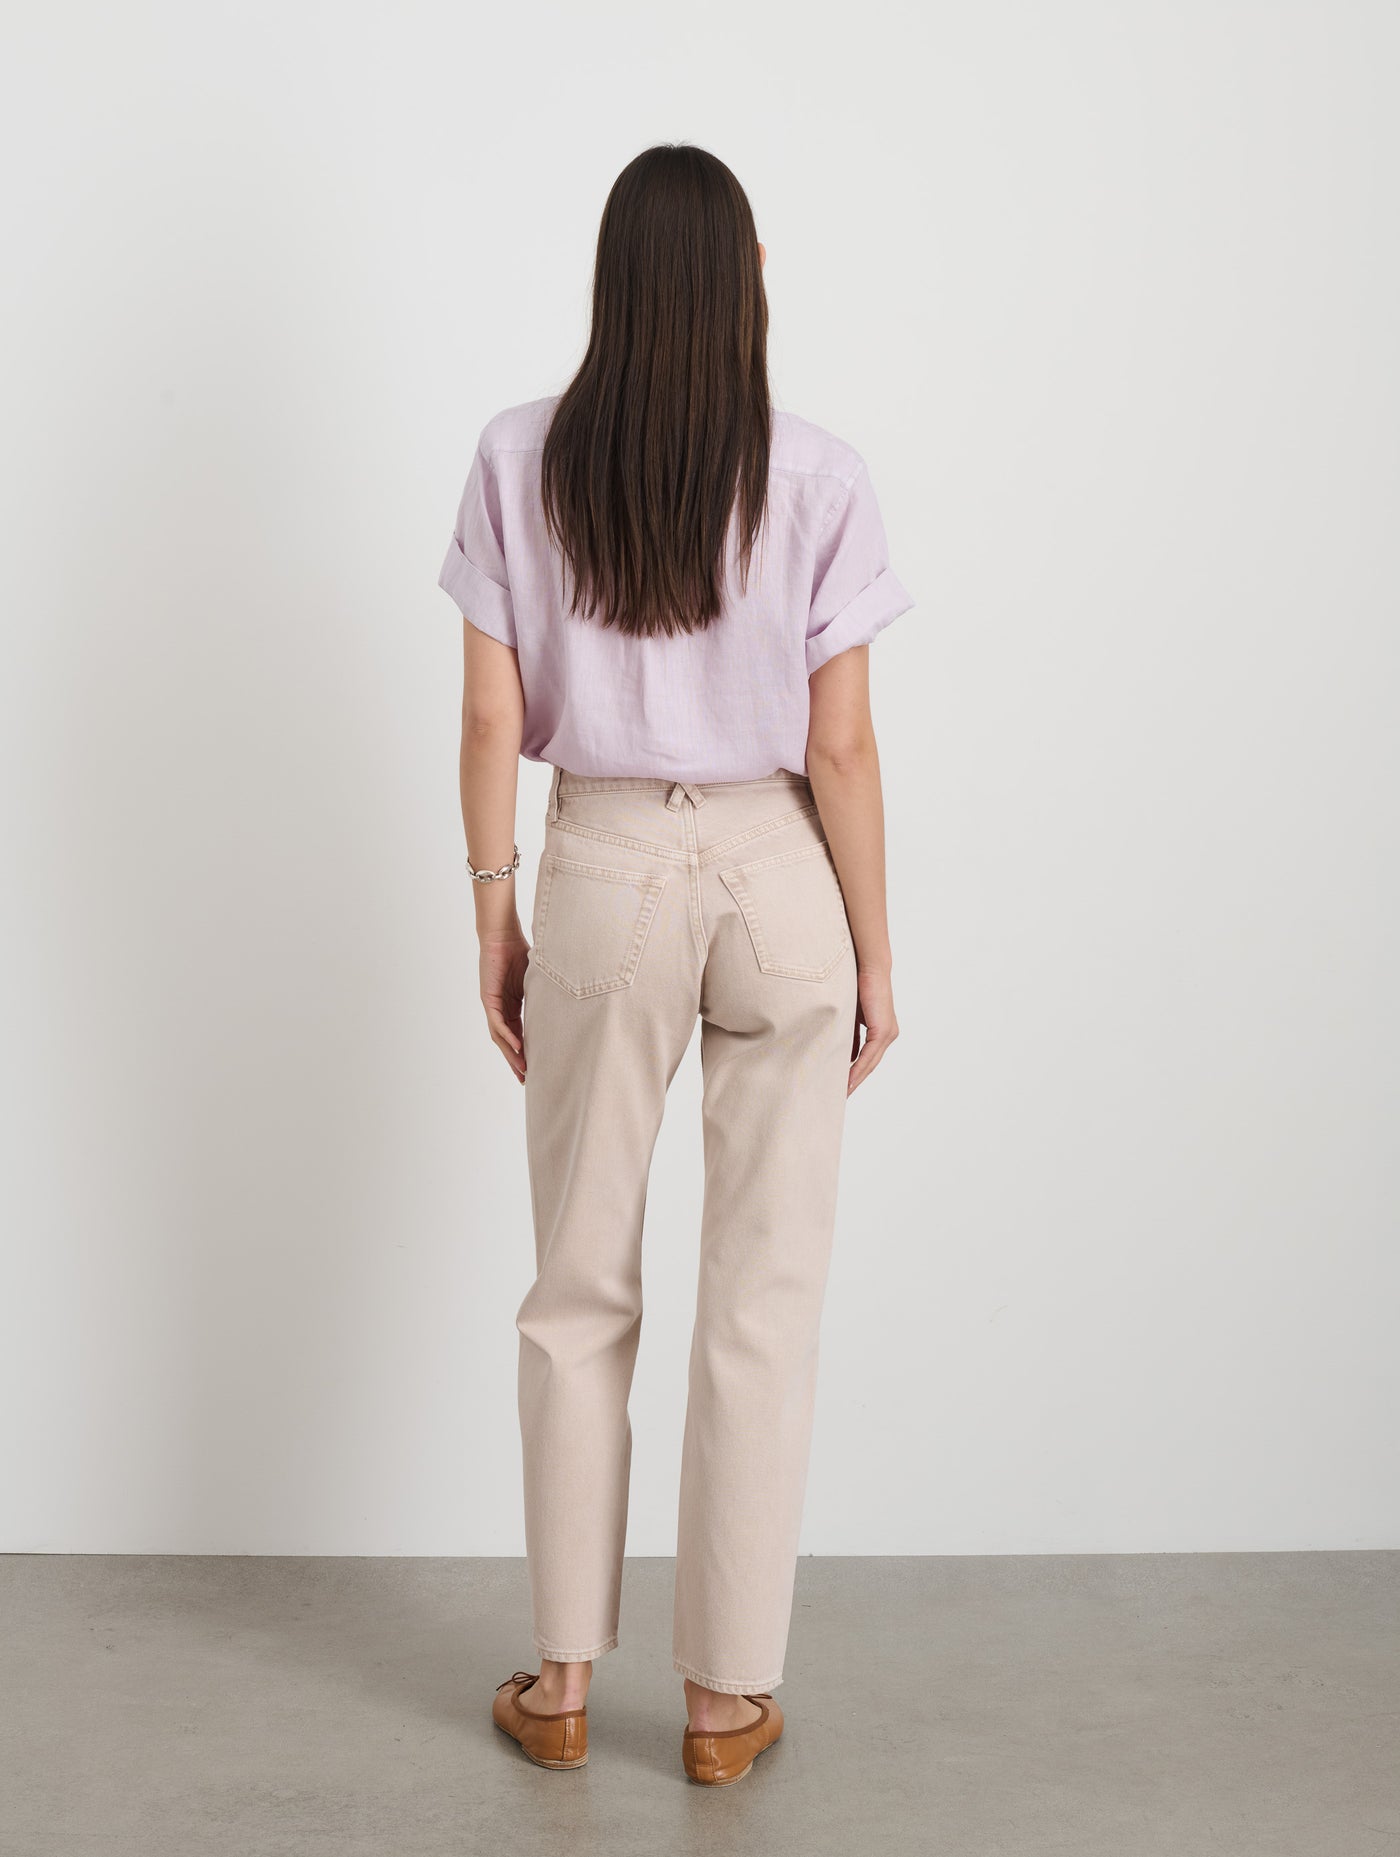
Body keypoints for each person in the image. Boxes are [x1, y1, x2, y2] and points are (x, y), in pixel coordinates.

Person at [437, 143, 913, 1787]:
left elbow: (490, 715)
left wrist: (494, 908)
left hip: (603, 869)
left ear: (614, 279)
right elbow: (841, 749)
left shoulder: (519, 456)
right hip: (782, 873)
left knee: (579, 1282)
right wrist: (876, 949)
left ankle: (564, 1682)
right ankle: (722, 1707)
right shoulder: (824, 475)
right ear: (748, 279)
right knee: (763, 1299)